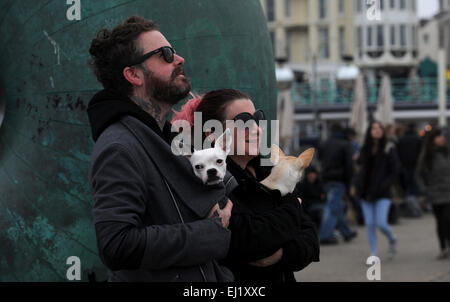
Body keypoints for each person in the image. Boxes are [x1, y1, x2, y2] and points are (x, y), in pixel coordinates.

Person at [87, 16, 234, 281]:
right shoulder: (120, 147)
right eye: (165, 54)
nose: (179, 59)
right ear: (133, 75)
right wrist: (211, 231)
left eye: (174, 50)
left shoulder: (166, 139)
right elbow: (116, 245)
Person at [172, 89, 320, 282]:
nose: (257, 129)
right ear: (214, 134)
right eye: (244, 122)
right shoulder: (209, 182)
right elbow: (249, 239)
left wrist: (282, 254)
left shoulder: (267, 171)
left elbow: (311, 238)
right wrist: (294, 207)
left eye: (258, 119)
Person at [356, 121, 399, 259]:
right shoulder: (364, 149)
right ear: (369, 131)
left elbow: (395, 170)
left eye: (379, 128)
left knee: (381, 223)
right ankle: (374, 252)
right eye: (374, 128)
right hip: (365, 192)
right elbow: (359, 168)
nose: (377, 130)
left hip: (382, 192)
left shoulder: (388, 148)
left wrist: (386, 184)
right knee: (369, 223)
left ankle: (392, 238)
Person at [317, 124, 357, 244]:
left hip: (326, 178)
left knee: (338, 206)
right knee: (332, 208)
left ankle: (346, 232)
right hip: (338, 179)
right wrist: (349, 182)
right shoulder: (345, 145)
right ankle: (325, 235)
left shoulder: (324, 143)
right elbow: (349, 166)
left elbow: (319, 159)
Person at [416, 128, 450, 259]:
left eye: (442, 136)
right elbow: (418, 174)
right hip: (435, 193)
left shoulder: (447, 152)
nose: (442, 138)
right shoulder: (426, 155)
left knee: (448, 219)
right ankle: (443, 247)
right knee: (440, 222)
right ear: (432, 139)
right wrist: (424, 189)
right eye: (439, 136)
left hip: (448, 191)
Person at [397, 123, 423, 218]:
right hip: (415, 166)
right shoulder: (418, 139)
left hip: (404, 166)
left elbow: (398, 153)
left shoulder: (401, 139)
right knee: (414, 187)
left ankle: (410, 209)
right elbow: (421, 153)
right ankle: (415, 209)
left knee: (407, 187)